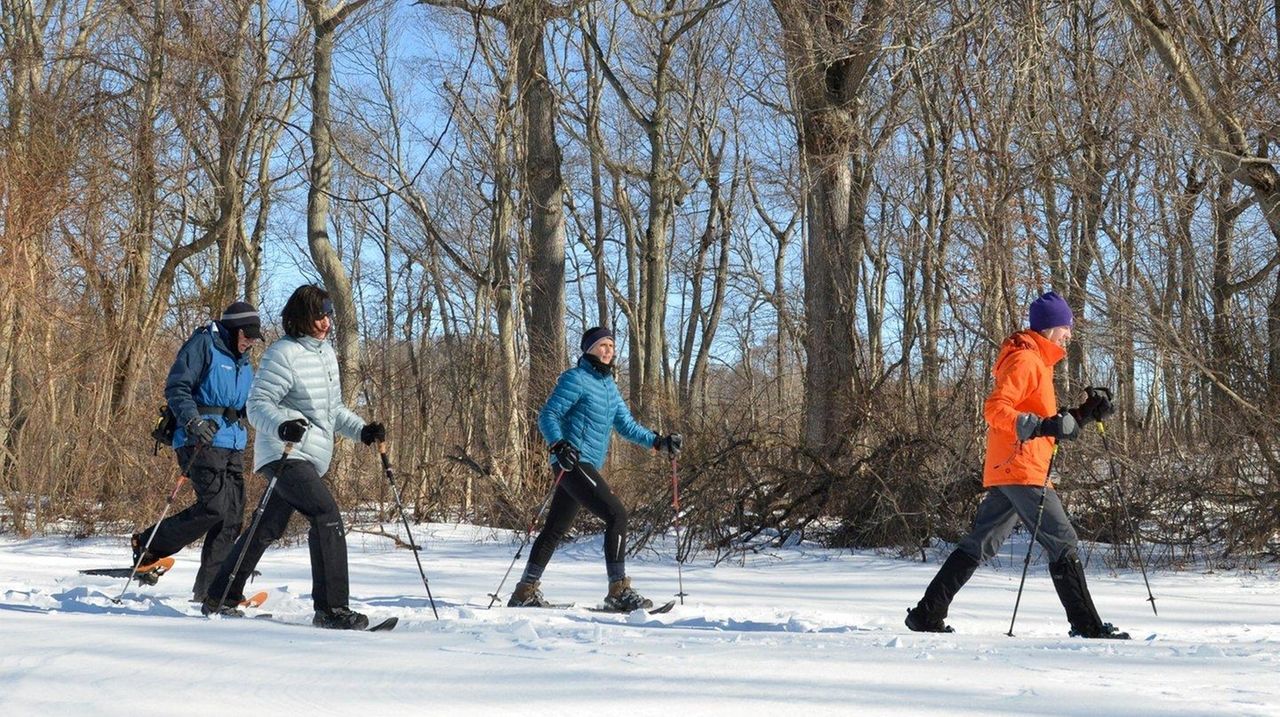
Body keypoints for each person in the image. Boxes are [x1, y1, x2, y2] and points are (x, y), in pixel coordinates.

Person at [904, 290, 1129, 639]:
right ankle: (1087, 626)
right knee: (1063, 541)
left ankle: (926, 613)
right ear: (1052, 327)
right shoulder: (1025, 360)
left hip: (1016, 467)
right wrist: (1038, 425)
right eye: (1066, 327)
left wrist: (1083, 414)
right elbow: (996, 409)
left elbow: (1048, 421)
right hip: (1022, 468)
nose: (1069, 334)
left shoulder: (1038, 363)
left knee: (980, 543)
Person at [202, 285, 385, 630]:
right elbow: (257, 406)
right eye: (320, 316)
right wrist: (283, 425)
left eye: (329, 314)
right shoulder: (282, 353)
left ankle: (220, 594)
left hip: (309, 456)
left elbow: (332, 411)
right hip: (284, 453)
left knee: (266, 527)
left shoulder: (325, 354)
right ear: (302, 317)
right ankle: (332, 609)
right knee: (326, 514)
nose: (326, 322)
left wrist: (362, 430)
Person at [508, 326, 683, 611]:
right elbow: (548, 415)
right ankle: (618, 590)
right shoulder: (575, 378)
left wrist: (658, 442)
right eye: (602, 345)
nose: (607, 350)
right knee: (617, 514)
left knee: (555, 529)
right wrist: (559, 446)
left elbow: (626, 426)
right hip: (573, 462)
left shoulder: (609, 387)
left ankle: (525, 591)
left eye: (611, 346)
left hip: (585, 464)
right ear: (588, 348)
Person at [131, 301, 261, 602]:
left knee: (231, 518)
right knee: (214, 507)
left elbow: (244, 403)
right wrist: (193, 421)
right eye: (247, 334)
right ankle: (148, 544)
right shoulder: (204, 343)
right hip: (199, 439)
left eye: (254, 337)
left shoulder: (244, 360)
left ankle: (212, 592)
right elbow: (177, 387)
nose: (250, 341)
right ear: (232, 329)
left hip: (233, 442)